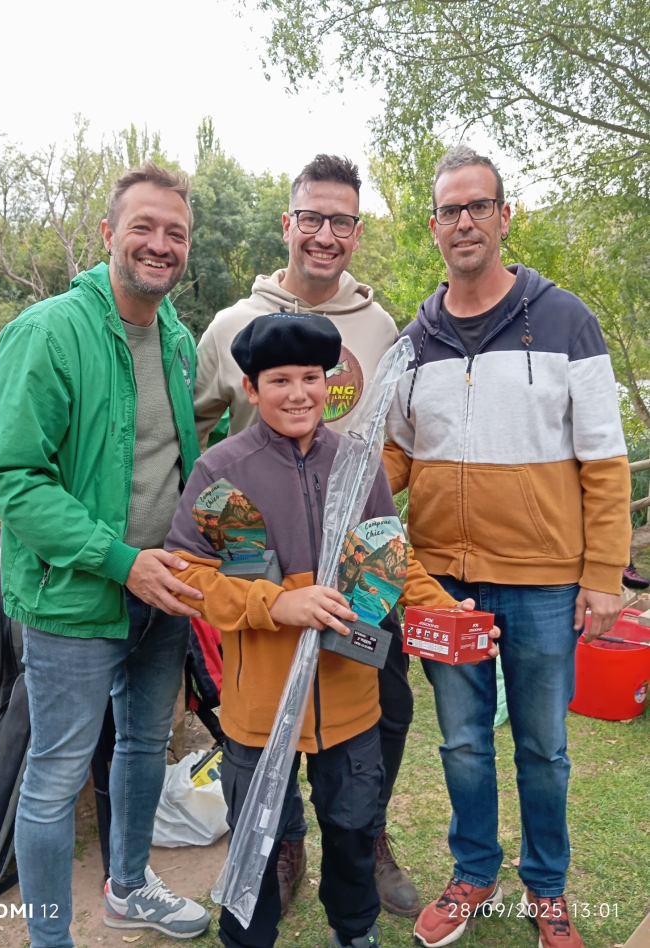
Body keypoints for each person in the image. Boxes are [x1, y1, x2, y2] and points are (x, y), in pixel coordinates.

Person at [384, 145, 631, 948]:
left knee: (545, 746)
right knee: (459, 741)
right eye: (450, 210)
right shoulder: (412, 338)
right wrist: (313, 487)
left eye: (478, 206)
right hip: (442, 583)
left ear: (504, 216)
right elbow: (393, 454)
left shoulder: (566, 319)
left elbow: (604, 459)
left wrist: (601, 576)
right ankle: (473, 872)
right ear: (433, 226)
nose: (464, 221)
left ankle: (548, 885)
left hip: (543, 582)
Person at [164, 312, 466, 948]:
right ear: (250, 388)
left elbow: (391, 558)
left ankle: (354, 931)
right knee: (258, 836)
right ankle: (250, 938)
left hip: (350, 697)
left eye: (310, 377)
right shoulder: (224, 472)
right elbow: (194, 579)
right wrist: (279, 604)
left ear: (329, 383)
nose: (297, 393)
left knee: (354, 828)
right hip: (260, 706)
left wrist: (441, 609)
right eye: (279, 380)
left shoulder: (359, 465)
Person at [0, 163, 211, 947]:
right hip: (75, 599)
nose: (159, 243)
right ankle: (50, 938)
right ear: (109, 234)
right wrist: (121, 561)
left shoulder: (177, 337)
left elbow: (175, 461)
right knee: (54, 773)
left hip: (163, 594)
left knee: (145, 745)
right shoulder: (47, 331)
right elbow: (11, 481)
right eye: (143, 227)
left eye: (174, 232)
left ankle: (130, 885)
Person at [194, 153, 430, 919]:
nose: (326, 234)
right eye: (312, 218)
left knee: (378, 712)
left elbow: (388, 439)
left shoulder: (378, 321)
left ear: (356, 231)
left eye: (342, 221)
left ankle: (364, 837)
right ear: (288, 224)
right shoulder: (232, 326)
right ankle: (281, 839)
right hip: (261, 564)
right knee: (265, 733)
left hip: (363, 572)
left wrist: (399, 570)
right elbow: (192, 434)